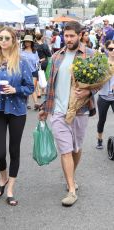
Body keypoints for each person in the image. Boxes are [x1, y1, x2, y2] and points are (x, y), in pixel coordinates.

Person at [39, 21, 96, 206]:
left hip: (80, 111)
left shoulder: (91, 55)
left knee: (76, 148)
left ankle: (71, 175)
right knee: (65, 150)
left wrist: (89, 92)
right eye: (66, 35)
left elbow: (98, 83)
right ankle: (71, 189)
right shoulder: (56, 56)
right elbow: (50, 85)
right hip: (58, 111)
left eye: (72, 36)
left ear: (80, 35)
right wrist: (44, 109)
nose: (68, 39)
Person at [0, 26, 34, 206]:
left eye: (6, 38)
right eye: (0, 38)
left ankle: (10, 189)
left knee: (14, 151)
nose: (3, 41)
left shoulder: (22, 62)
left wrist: (16, 89)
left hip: (17, 111)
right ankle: (2, 177)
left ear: (13, 41)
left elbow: (30, 87)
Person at [96, 40, 114, 149]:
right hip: (103, 96)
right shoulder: (103, 63)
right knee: (102, 119)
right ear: (107, 50)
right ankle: (99, 139)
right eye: (111, 49)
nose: (113, 51)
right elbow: (97, 79)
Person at [21, 34, 40, 110]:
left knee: (32, 87)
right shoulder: (21, 51)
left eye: (29, 41)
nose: (27, 43)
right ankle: (27, 103)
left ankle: (36, 103)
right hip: (24, 72)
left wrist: (39, 64)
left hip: (33, 71)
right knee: (26, 87)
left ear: (31, 43)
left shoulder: (34, 52)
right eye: (26, 41)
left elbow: (37, 62)